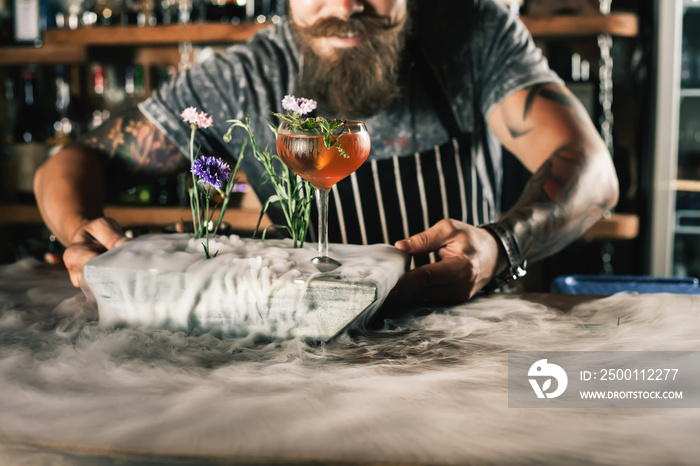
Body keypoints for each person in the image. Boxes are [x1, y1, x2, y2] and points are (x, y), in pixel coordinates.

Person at [33, 0, 618, 305]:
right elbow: (69, 165)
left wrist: (502, 244)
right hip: (313, 362)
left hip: (471, 339)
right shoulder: (244, 79)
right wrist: (82, 230)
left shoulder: (471, 34)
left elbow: (592, 171)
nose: (346, 4)